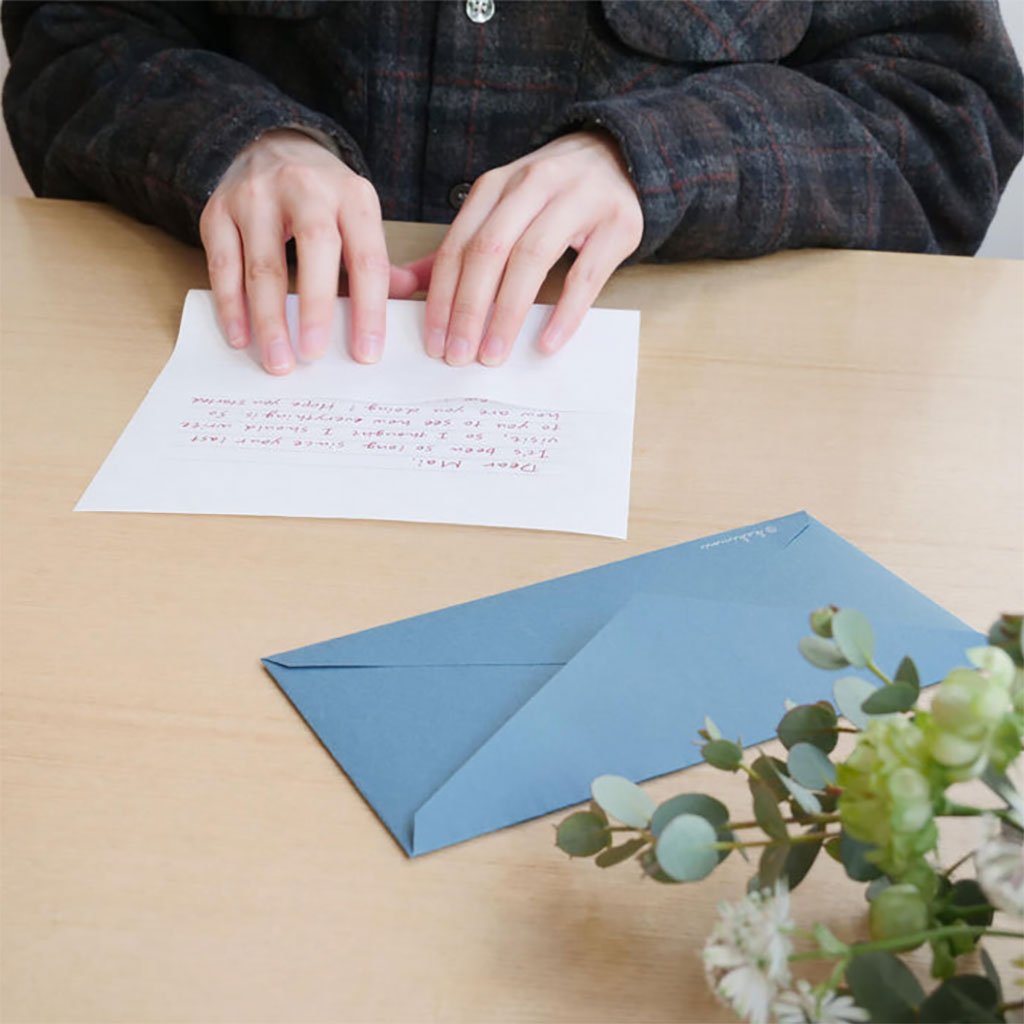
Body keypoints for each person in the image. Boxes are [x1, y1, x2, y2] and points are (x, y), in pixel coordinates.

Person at [4, 1, 1021, 376]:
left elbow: (946, 115)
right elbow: (69, 37)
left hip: (685, 445)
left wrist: (654, 159)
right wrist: (236, 140)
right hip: (254, 390)